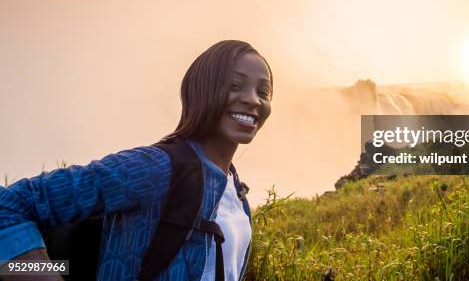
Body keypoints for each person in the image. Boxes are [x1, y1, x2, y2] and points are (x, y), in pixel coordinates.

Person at [0, 40, 273, 280]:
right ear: (203, 89)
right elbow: (9, 203)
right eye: (236, 86)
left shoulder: (237, 195)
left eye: (263, 92)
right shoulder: (153, 168)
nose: (253, 101)